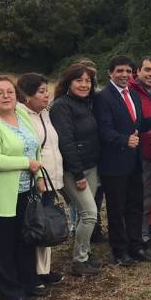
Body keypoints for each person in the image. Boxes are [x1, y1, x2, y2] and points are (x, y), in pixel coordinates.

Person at [0, 77, 45, 300]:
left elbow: (36, 147)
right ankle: (10, 291)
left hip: (27, 190)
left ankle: (28, 282)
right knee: (3, 246)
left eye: (10, 92)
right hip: (2, 196)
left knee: (25, 240)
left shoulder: (21, 115)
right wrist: (26, 163)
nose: (6, 96)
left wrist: (40, 177)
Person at [94, 56, 151, 266]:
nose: (124, 75)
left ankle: (137, 246)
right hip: (113, 163)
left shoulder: (132, 94)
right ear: (110, 73)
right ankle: (120, 251)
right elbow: (104, 129)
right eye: (119, 71)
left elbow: (138, 122)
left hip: (134, 161)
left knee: (135, 205)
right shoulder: (103, 97)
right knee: (116, 209)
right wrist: (124, 140)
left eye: (127, 71)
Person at [50, 64, 102, 277]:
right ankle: (79, 261)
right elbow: (66, 142)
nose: (84, 84)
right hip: (74, 170)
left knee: (84, 214)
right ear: (68, 82)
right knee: (90, 213)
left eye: (88, 81)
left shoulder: (87, 104)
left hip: (91, 166)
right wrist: (78, 174)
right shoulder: (61, 106)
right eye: (79, 80)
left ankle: (86, 252)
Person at [16, 73, 64, 288]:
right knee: (33, 226)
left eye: (47, 90)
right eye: (41, 91)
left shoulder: (45, 113)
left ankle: (43, 270)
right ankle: (29, 274)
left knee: (45, 224)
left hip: (51, 177)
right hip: (35, 180)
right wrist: (38, 178)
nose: (47, 96)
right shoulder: (20, 116)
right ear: (27, 95)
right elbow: (30, 150)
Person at [129, 56, 151, 246]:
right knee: (137, 196)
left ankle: (144, 232)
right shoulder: (131, 91)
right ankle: (135, 235)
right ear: (139, 71)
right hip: (134, 152)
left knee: (149, 194)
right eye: (147, 70)